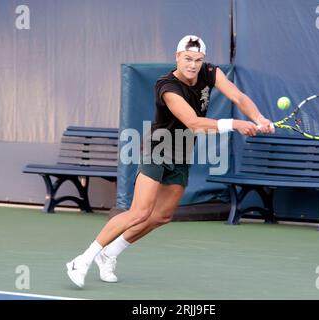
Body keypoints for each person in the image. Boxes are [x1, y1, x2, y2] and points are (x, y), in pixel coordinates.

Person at [66, 35, 274, 287]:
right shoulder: (167, 86)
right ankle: (83, 259)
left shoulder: (210, 73)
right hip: (158, 149)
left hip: (182, 153)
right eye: (187, 58)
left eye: (198, 59)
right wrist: (236, 124)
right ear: (177, 57)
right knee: (139, 213)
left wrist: (259, 117)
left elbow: (238, 97)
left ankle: (110, 254)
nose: (193, 64)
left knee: (161, 217)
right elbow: (194, 123)